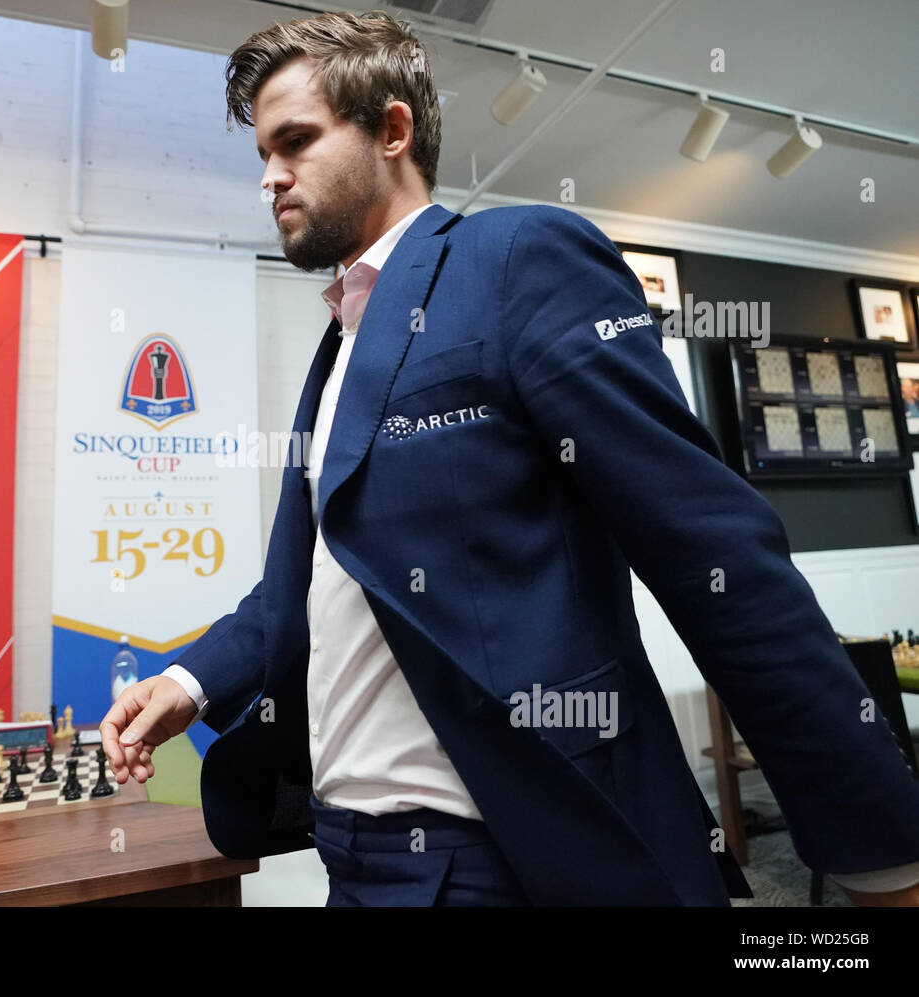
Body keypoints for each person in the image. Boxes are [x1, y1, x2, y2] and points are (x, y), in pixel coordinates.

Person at [102, 10, 919, 906]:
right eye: (261, 153)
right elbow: (317, 580)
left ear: (391, 129)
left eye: (295, 140)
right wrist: (187, 681)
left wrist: (881, 852)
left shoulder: (517, 260)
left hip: (503, 861)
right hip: (350, 860)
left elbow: (713, 553)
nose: (270, 177)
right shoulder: (338, 346)